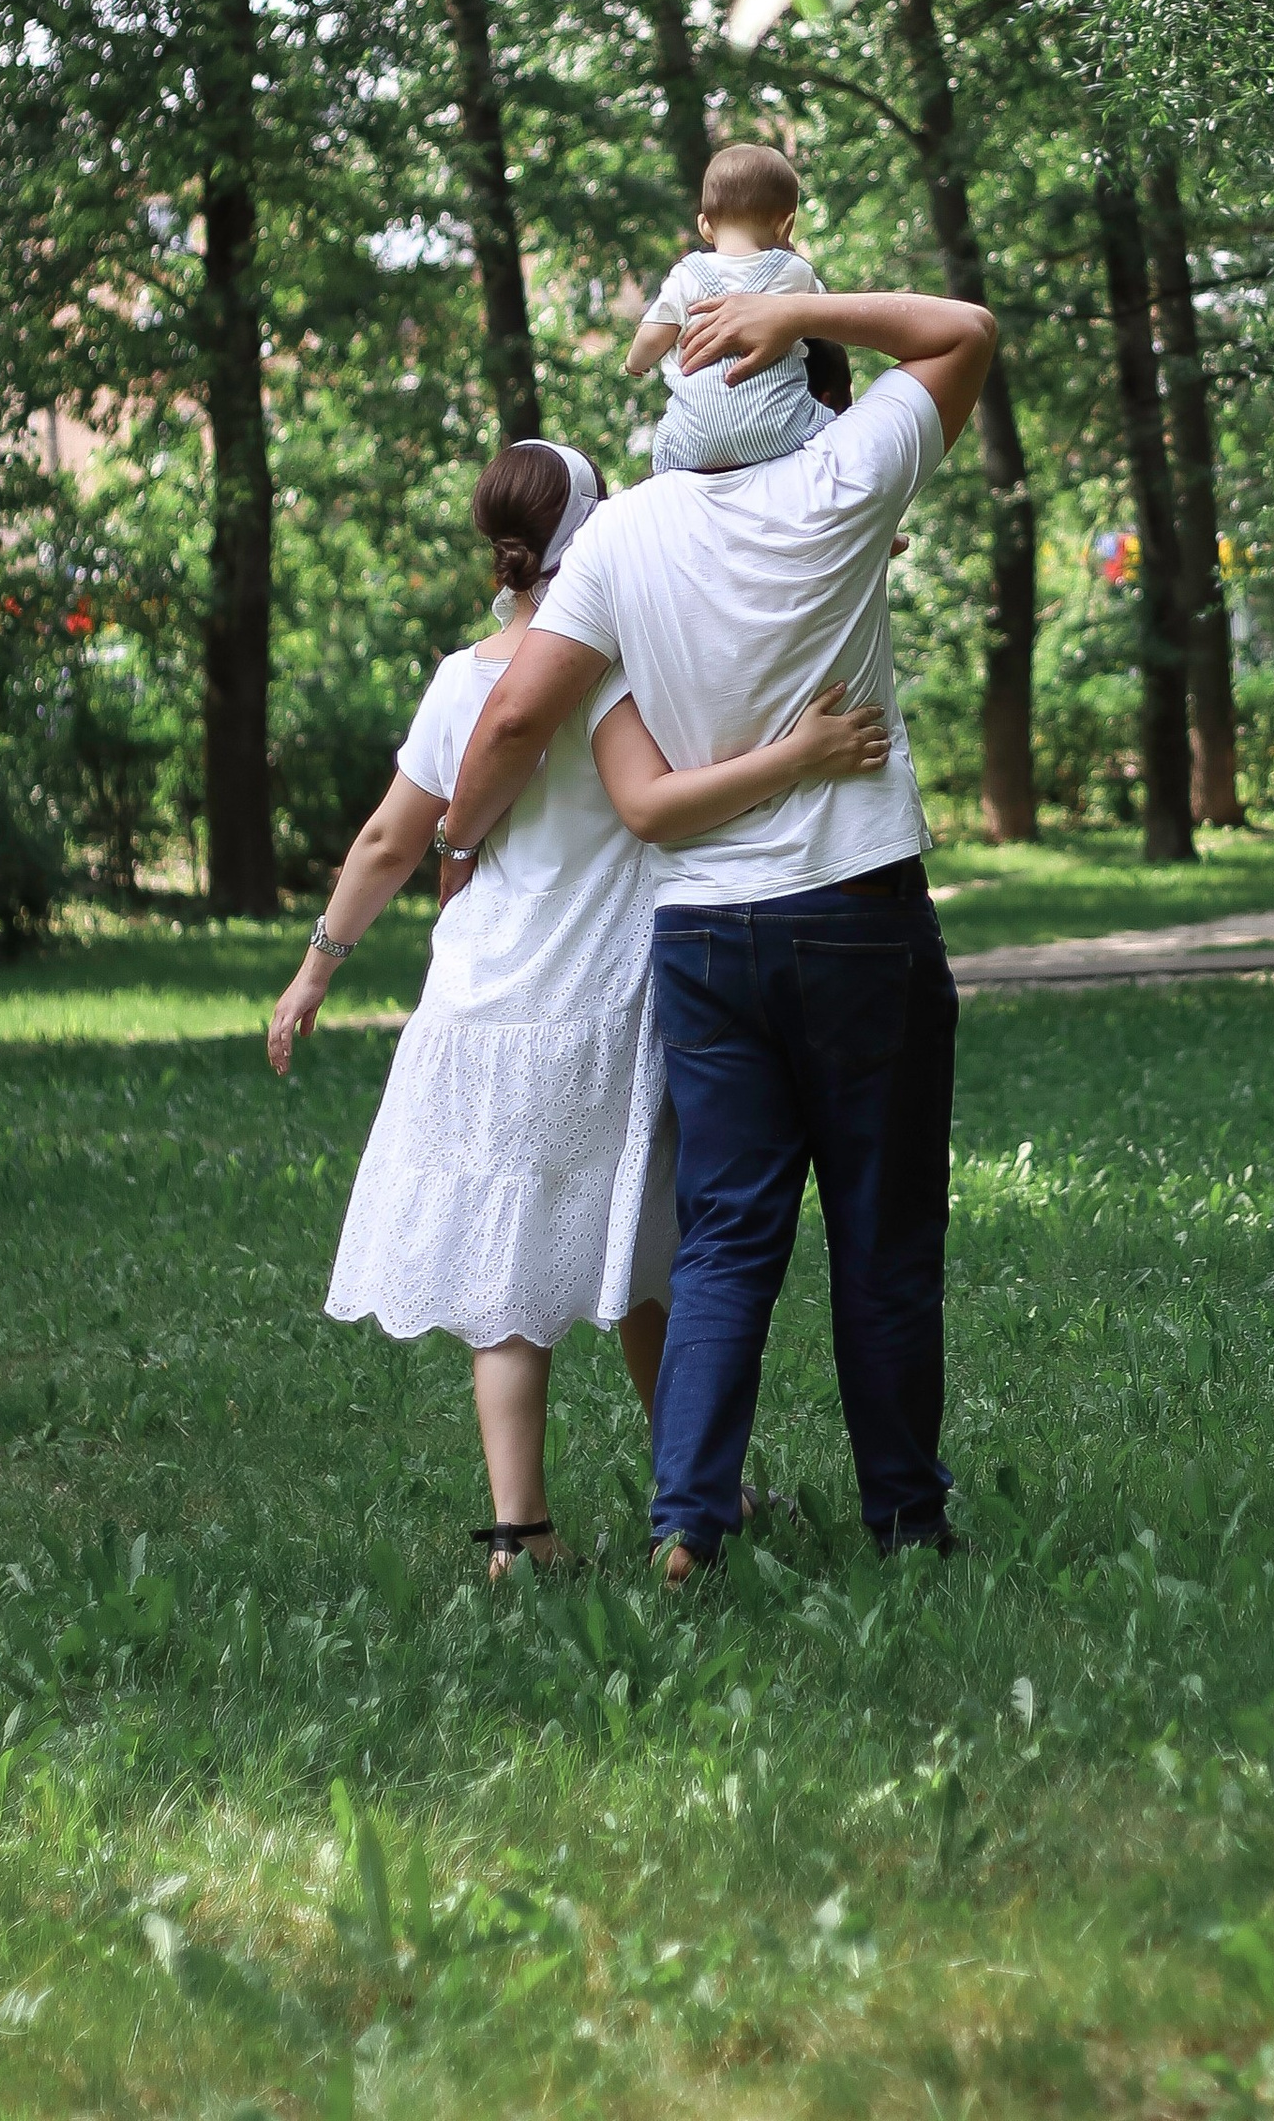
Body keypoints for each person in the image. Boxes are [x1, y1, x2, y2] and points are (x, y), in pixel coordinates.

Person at [438, 283, 997, 1578]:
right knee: (883, 1233)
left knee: (727, 1235)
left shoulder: (624, 532)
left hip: (702, 938)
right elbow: (962, 331)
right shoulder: (846, 478)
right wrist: (798, 301)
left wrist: (457, 846)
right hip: (856, 911)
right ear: (790, 377)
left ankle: (689, 1523)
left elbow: (517, 713)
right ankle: (907, 1520)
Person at [265, 437, 890, 1576]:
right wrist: (802, 754)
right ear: (588, 534)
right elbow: (659, 805)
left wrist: (316, 970)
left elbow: (388, 839)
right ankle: (699, 1495)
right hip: (600, 1004)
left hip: (479, 1003)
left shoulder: (463, 677)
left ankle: (524, 1533)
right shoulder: (608, 672)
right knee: (655, 1257)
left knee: (508, 1280)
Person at [629, 138, 831, 476]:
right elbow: (827, 319)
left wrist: (636, 361)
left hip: (697, 444)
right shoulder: (794, 272)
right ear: (786, 225)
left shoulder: (686, 275)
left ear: (705, 226)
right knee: (835, 432)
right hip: (782, 432)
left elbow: (654, 335)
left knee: (663, 445)